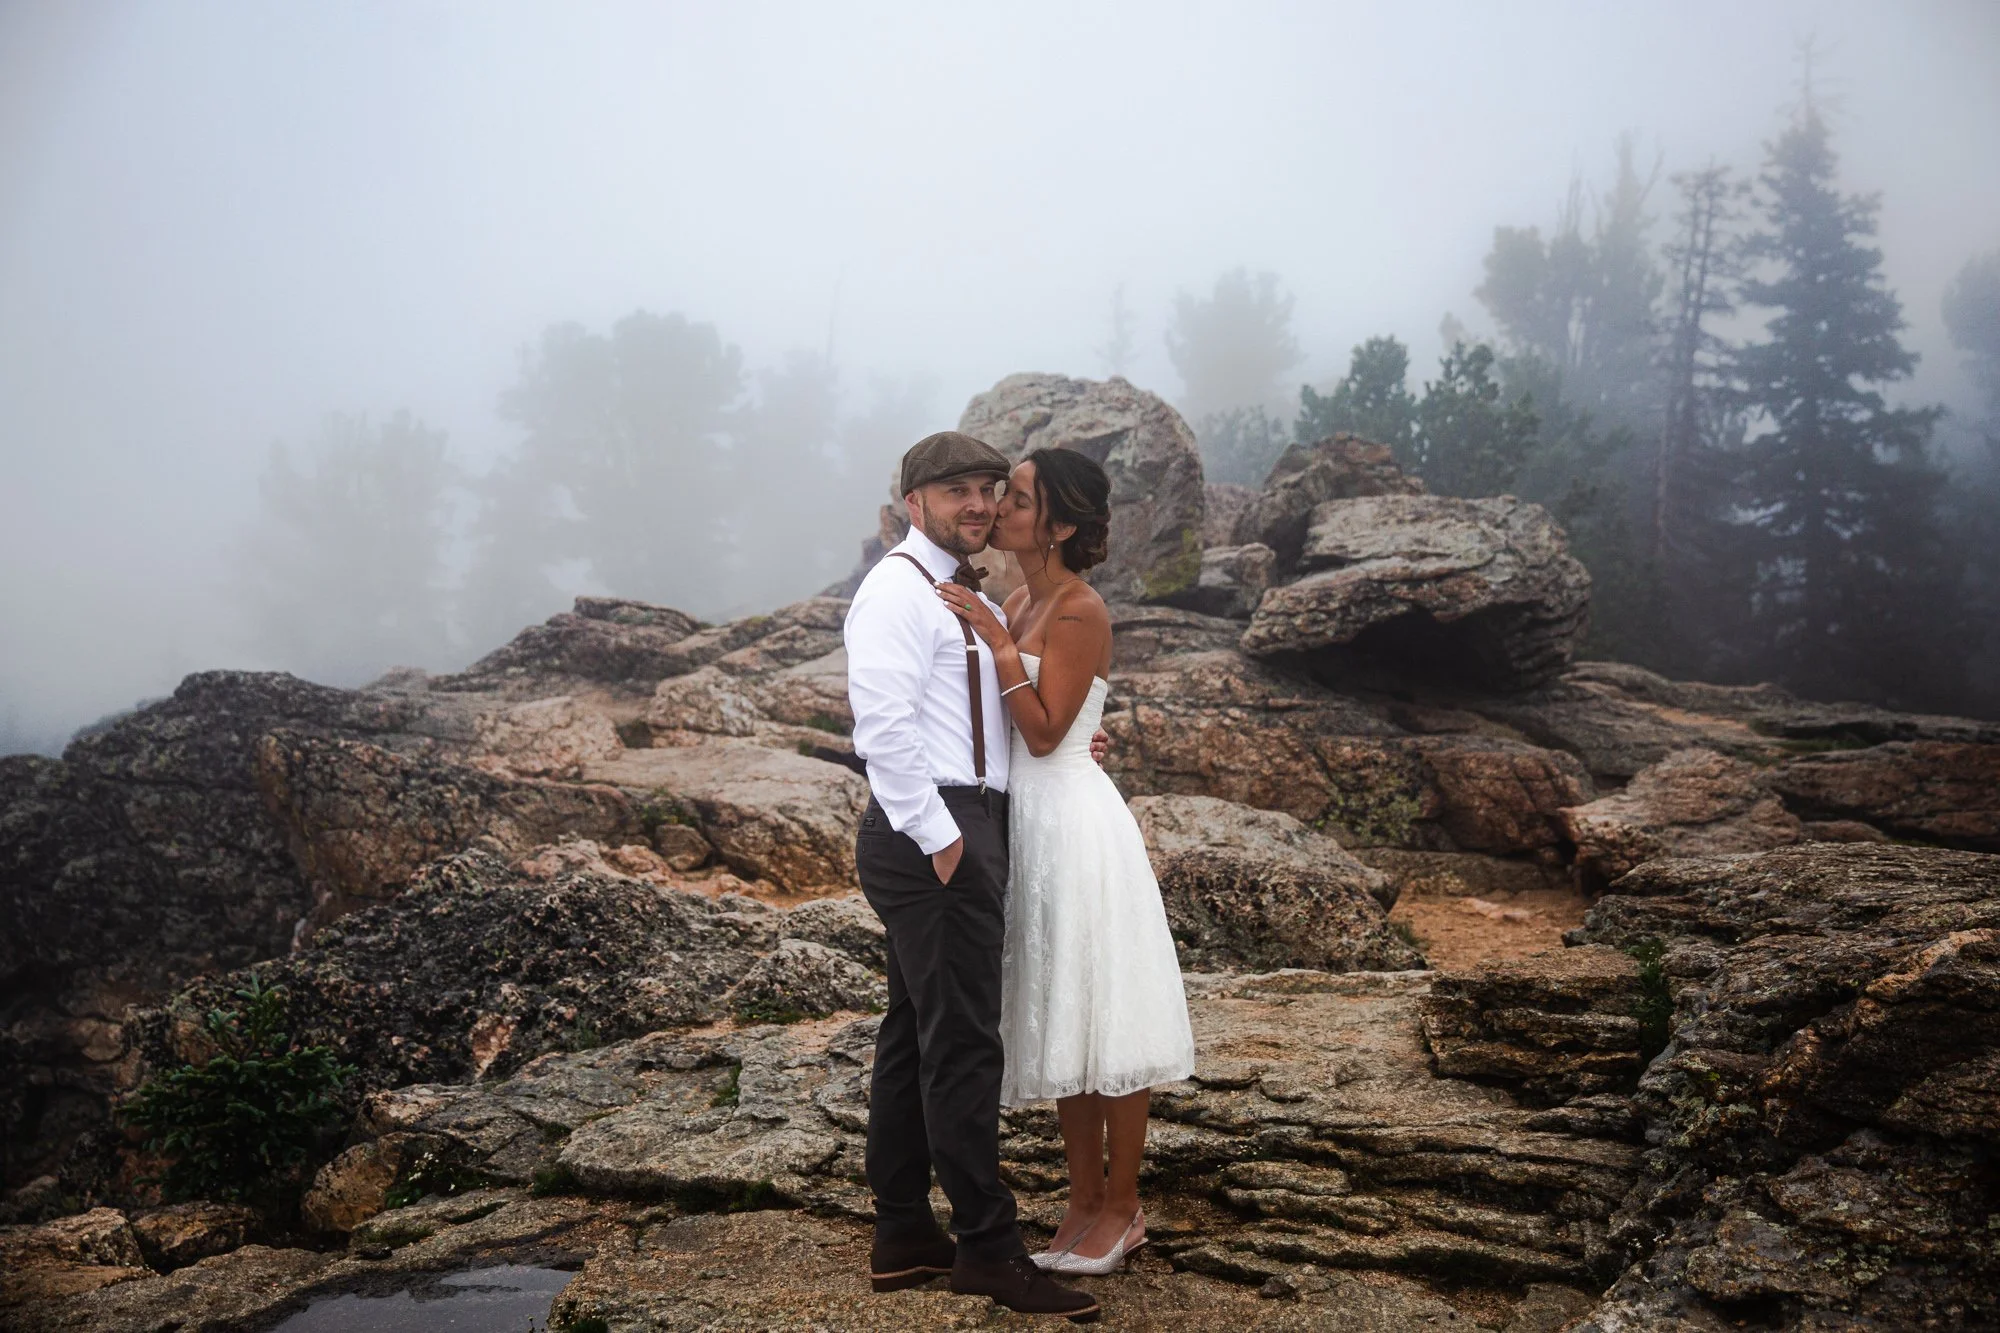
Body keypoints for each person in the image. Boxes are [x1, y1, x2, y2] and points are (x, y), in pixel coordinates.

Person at [843, 430, 1102, 1323]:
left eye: (990, 487)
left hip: (966, 819)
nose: (980, 503)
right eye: (957, 490)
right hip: (936, 832)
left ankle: (904, 1229)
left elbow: (968, 709)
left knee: (916, 1033)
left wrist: (1074, 734)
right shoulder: (894, 593)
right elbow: (882, 731)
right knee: (963, 1047)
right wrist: (943, 840)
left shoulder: (949, 592)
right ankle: (990, 1250)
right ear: (913, 504)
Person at [935, 447, 1196, 1278]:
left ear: (1061, 524)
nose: (1000, 508)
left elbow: (1047, 731)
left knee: (1106, 1016)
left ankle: (1123, 1209)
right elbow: (1025, 721)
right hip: (1030, 824)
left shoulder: (1079, 608)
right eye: (1005, 495)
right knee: (1061, 1018)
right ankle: (1082, 1203)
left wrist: (999, 648)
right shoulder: (1018, 596)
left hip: (1079, 827)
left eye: (1017, 498)